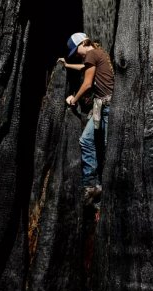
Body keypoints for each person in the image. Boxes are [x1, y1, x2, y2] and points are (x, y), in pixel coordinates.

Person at [58, 33, 114, 206]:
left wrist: (73, 100)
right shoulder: (97, 53)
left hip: (106, 107)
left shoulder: (91, 54)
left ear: (83, 43)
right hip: (101, 106)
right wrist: (67, 65)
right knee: (87, 141)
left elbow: (88, 83)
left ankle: (96, 185)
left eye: (76, 50)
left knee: (102, 146)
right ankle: (93, 186)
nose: (77, 54)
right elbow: (84, 68)